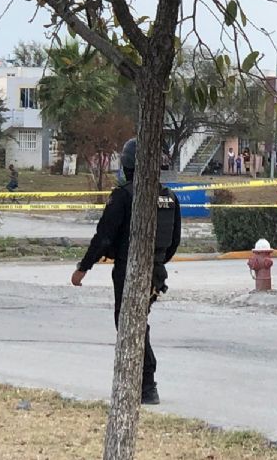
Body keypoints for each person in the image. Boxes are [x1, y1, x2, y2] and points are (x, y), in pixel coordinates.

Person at [70, 138, 182, 405]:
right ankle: (140, 382)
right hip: (156, 272)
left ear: (127, 164)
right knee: (137, 322)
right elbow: (174, 241)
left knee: (129, 324)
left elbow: (104, 237)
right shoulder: (169, 196)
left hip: (129, 270)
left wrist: (83, 268)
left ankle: (146, 384)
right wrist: (156, 263)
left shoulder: (123, 196)